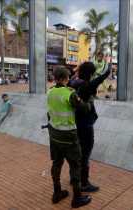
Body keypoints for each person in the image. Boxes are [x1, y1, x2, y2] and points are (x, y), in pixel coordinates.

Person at [47, 67, 92, 208]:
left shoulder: (50, 92)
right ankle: (77, 198)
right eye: (68, 77)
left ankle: (57, 192)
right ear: (65, 78)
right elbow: (84, 108)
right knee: (75, 165)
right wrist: (90, 102)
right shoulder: (69, 94)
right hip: (69, 136)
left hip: (54, 135)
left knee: (56, 163)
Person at [68, 62, 111, 192]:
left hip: (74, 122)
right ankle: (84, 183)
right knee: (85, 154)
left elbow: (71, 77)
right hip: (85, 124)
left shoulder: (72, 83)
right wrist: (107, 72)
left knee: (76, 152)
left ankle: (74, 178)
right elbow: (96, 81)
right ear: (91, 74)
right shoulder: (86, 86)